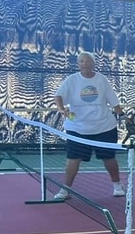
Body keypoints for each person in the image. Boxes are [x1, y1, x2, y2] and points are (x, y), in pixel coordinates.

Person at [51, 52, 125, 200]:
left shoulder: (102, 80)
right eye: (81, 61)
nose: (84, 63)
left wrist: (123, 115)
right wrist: (61, 109)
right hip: (77, 128)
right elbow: (58, 96)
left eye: (87, 61)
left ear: (93, 63)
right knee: (73, 159)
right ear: (78, 64)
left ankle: (117, 185)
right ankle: (65, 190)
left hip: (104, 126)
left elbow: (113, 101)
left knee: (109, 158)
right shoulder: (71, 80)